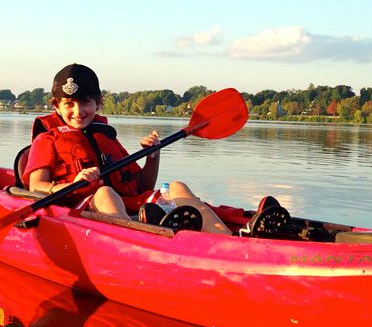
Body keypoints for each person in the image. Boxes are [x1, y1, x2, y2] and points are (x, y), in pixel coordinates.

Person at [24, 63, 231, 234]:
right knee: (105, 192)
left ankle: (227, 240)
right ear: (56, 106)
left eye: (85, 102)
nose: (78, 111)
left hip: (127, 205)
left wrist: (153, 156)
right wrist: (75, 183)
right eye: (69, 104)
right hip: (80, 210)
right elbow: (36, 187)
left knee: (177, 187)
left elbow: (143, 185)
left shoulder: (106, 137)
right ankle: (140, 244)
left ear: (98, 104)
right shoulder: (46, 139)